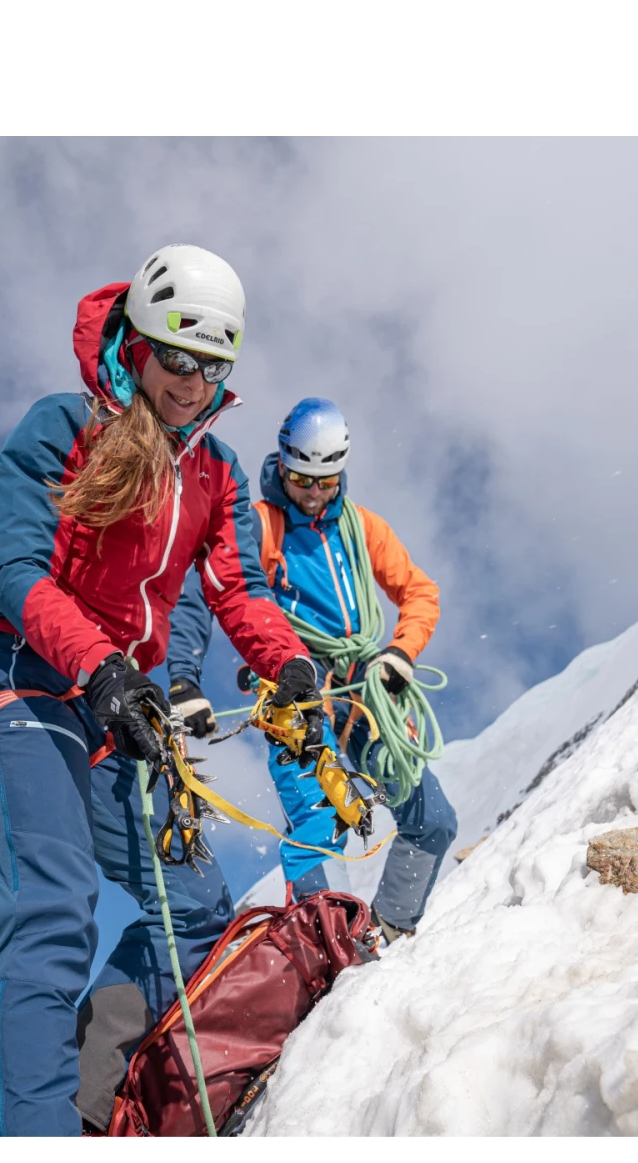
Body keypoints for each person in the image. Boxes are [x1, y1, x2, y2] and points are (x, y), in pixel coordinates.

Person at [0, 245, 322, 1137]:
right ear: (139, 343)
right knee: (52, 907)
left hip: (119, 709)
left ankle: (86, 1108)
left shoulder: (217, 472)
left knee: (195, 912)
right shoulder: (63, 425)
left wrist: (289, 666)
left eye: (214, 367)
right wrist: (101, 666)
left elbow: (239, 590)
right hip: (31, 684)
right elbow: (16, 570)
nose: (194, 385)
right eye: (179, 359)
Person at [168, 398, 457, 941]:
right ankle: (329, 949)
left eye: (326, 481)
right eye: (302, 479)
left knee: (433, 819)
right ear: (282, 464)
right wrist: (184, 677)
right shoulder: (258, 525)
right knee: (319, 823)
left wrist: (400, 651)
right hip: (296, 695)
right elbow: (202, 593)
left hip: (365, 690)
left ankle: (391, 933)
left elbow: (419, 591)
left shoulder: (361, 526)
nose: (314, 492)